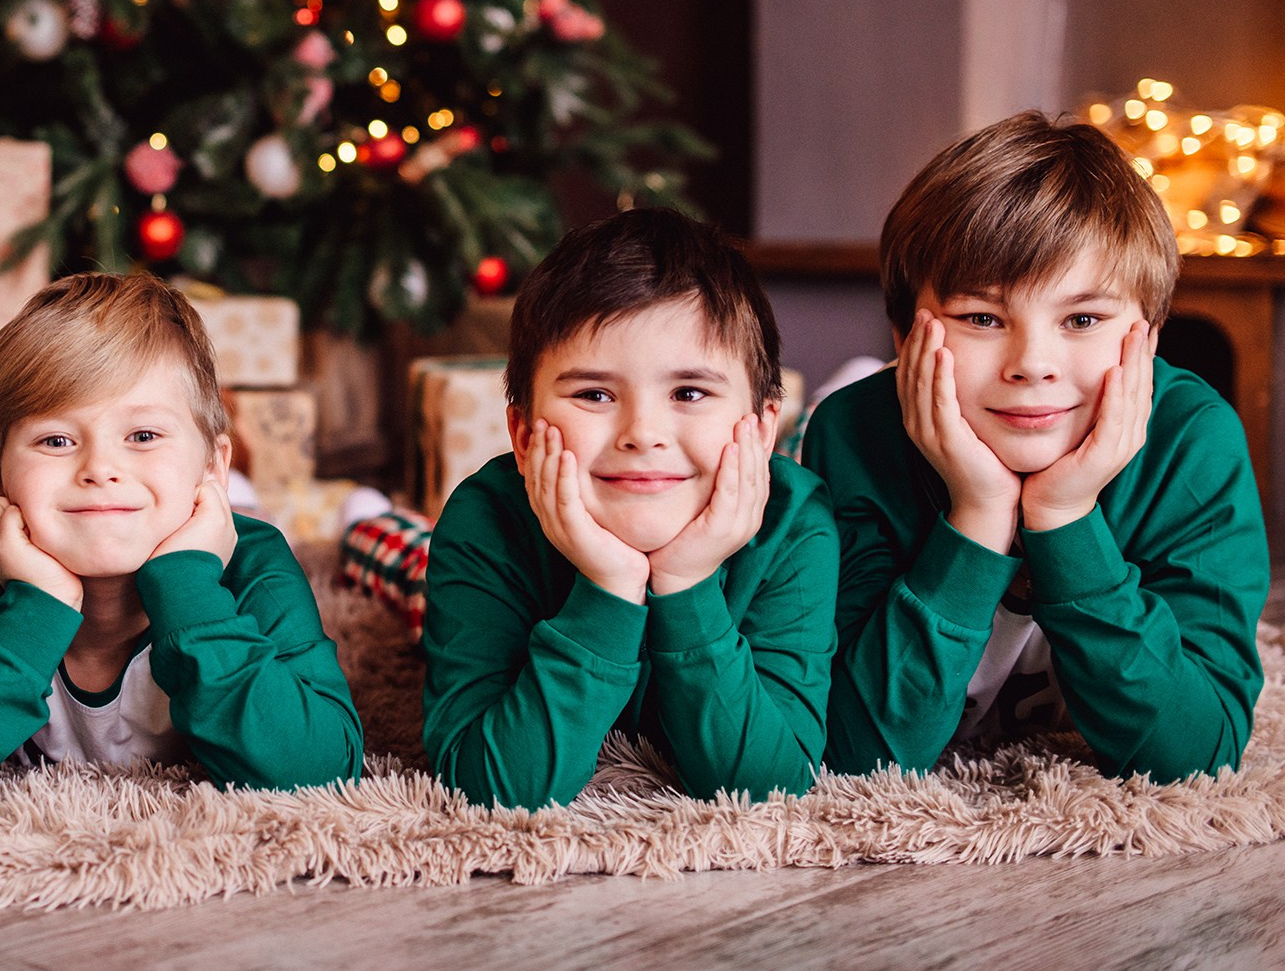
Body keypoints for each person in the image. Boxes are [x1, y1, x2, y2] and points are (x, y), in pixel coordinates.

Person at [804, 111, 1268, 779]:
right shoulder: (852, 435)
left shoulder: (1191, 439)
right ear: (906, 337)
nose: (1034, 363)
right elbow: (855, 753)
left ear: (1150, 335)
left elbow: (1194, 755)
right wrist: (977, 514)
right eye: (983, 318)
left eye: (1082, 318)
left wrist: (1067, 517)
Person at [0, 272, 363, 790]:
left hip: (205, 512)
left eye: (143, 434)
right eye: (57, 441)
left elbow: (325, 767)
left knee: (231, 509)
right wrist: (35, 611)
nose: (100, 469)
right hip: (132, 510)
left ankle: (265, 496)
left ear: (211, 468)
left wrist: (191, 591)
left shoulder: (255, 568)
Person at [421, 209, 839, 808]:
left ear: (764, 429)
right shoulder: (484, 519)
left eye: (689, 393)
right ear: (521, 431)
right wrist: (609, 587)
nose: (643, 434)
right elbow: (490, 788)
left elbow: (771, 787)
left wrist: (688, 584)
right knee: (389, 556)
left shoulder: (796, 523)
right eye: (594, 394)